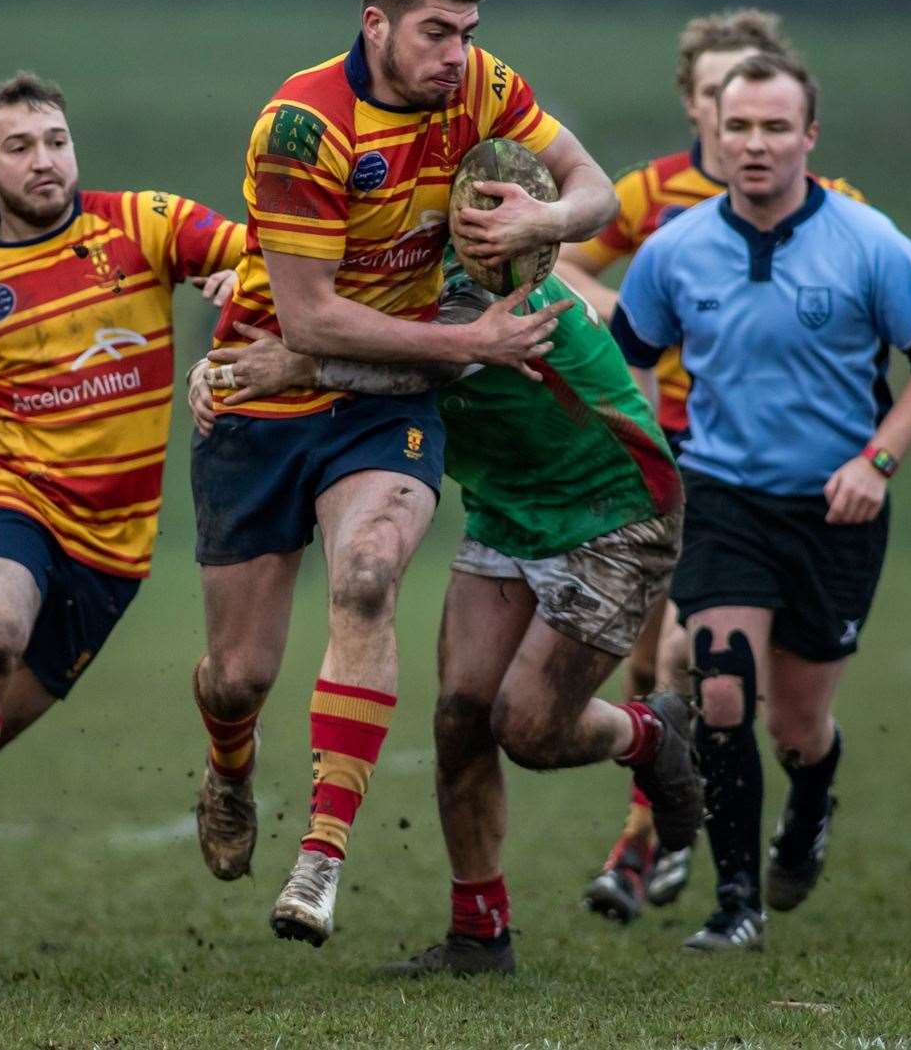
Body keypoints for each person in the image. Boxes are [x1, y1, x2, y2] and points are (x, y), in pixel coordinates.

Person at [187, 0, 618, 949]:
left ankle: (321, 857)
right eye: (436, 33)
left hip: (390, 402)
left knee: (371, 573)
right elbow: (313, 324)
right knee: (238, 674)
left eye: (469, 34)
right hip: (266, 393)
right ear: (375, 23)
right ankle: (231, 761)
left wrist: (543, 218)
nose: (457, 55)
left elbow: (599, 185)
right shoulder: (302, 126)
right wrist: (470, 339)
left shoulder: (483, 88)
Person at [189, 253, 703, 974]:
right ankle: (479, 934)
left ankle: (650, 733)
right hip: (504, 509)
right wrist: (225, 342)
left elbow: (420, 368)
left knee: (527, 726)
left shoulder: (492, 287)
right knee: (461, 713)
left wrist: (298, 367)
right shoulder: (394, 258)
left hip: (611, 511)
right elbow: (300, 275)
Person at [0, 71, 242, 952]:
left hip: (111, 552)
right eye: (20, 147)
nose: (44, 161)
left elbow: (255, 250)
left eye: (55, 141)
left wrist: (241, 281)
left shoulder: (142, 223)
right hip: (10, 501)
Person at [612, 53, 911, 950]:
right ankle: (737, 905)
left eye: (776, 128)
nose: (756, 144)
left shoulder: (871, 243)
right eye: (739, 127)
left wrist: (876, 463)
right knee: (722, 688)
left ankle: (809, 802)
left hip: (837, 510)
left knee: (798, 724)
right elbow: (627, 357)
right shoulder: (673, 249)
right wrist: (651, 453)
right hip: (723, 496)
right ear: (711, 133)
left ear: (810, 136)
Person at [555, 10, 867, 922]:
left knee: (692, 659)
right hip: (672, 448)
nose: (733, 117)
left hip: (770, 472)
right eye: (713, 95)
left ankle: (652, 838)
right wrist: (634, 307)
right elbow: (562, 261)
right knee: (653, 654)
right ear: (697, 103)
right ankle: (653, 834)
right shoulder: (654, 195)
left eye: (756, 99)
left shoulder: (826, 201)